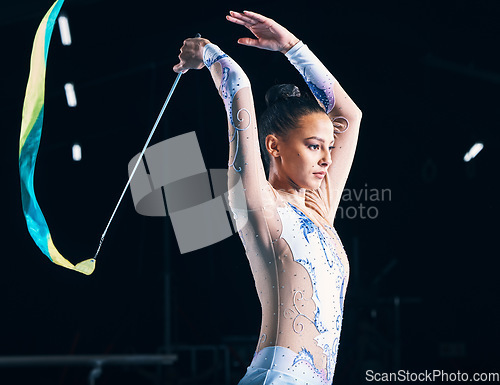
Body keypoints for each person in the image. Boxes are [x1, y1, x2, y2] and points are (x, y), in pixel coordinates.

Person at [174, 10, 362, 385]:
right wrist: (208, 52)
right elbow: (237, 84)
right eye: (313, 146)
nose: (327, 158)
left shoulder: (319, 208)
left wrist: (293, 47)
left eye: (328, 146)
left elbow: (349, 115)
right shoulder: (258, 203)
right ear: (273, 146)